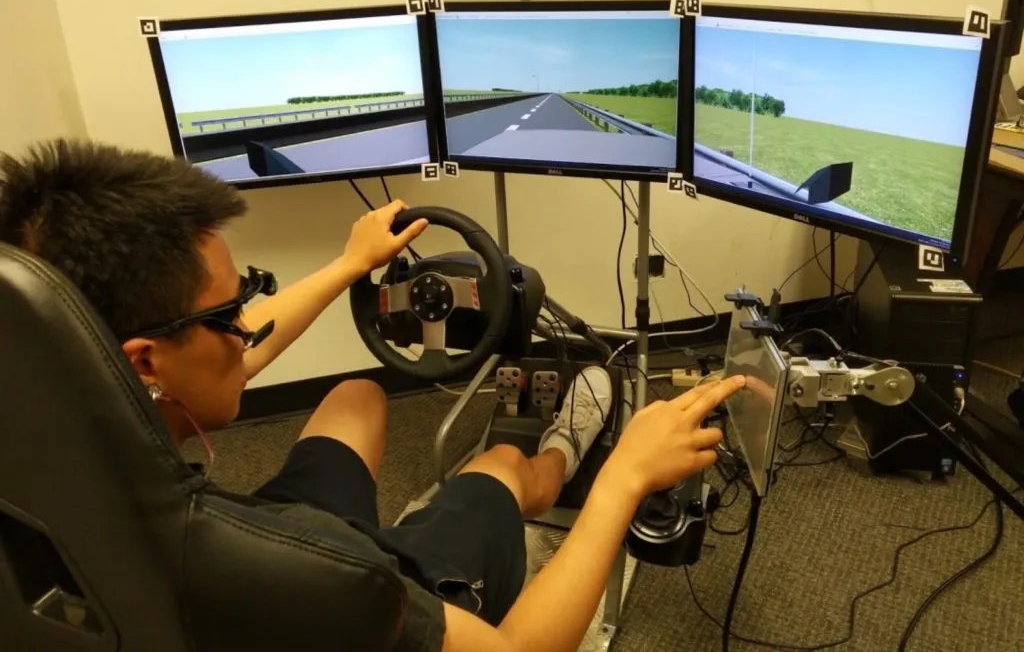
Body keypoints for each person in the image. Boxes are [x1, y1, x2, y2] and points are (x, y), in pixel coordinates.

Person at [0, 138, 744, 652]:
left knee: (355, 397)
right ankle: (561, 456)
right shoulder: (314, 573)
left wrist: (348, 265)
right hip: (317, 592)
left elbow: (221, 344)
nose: (249, 329)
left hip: (222, 568)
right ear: (145, 362)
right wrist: (626, 480)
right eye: (231, 315)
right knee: (495, 474)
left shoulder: (42, 400)